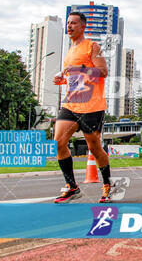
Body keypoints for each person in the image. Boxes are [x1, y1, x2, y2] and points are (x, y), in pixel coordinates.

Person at [52, 11, 112, 203]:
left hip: (92, 105)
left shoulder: (92, 47)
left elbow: (103, 71)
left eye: (74, 23)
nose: (69, 26)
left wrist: (80, 69)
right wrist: (62, 79)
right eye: (68, 23)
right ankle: (72, 186)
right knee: (58, 141)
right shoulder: (69, 52)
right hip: (71, 104)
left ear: (83, 26)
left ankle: (107, 184)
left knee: (94, 148)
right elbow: (76, 79)